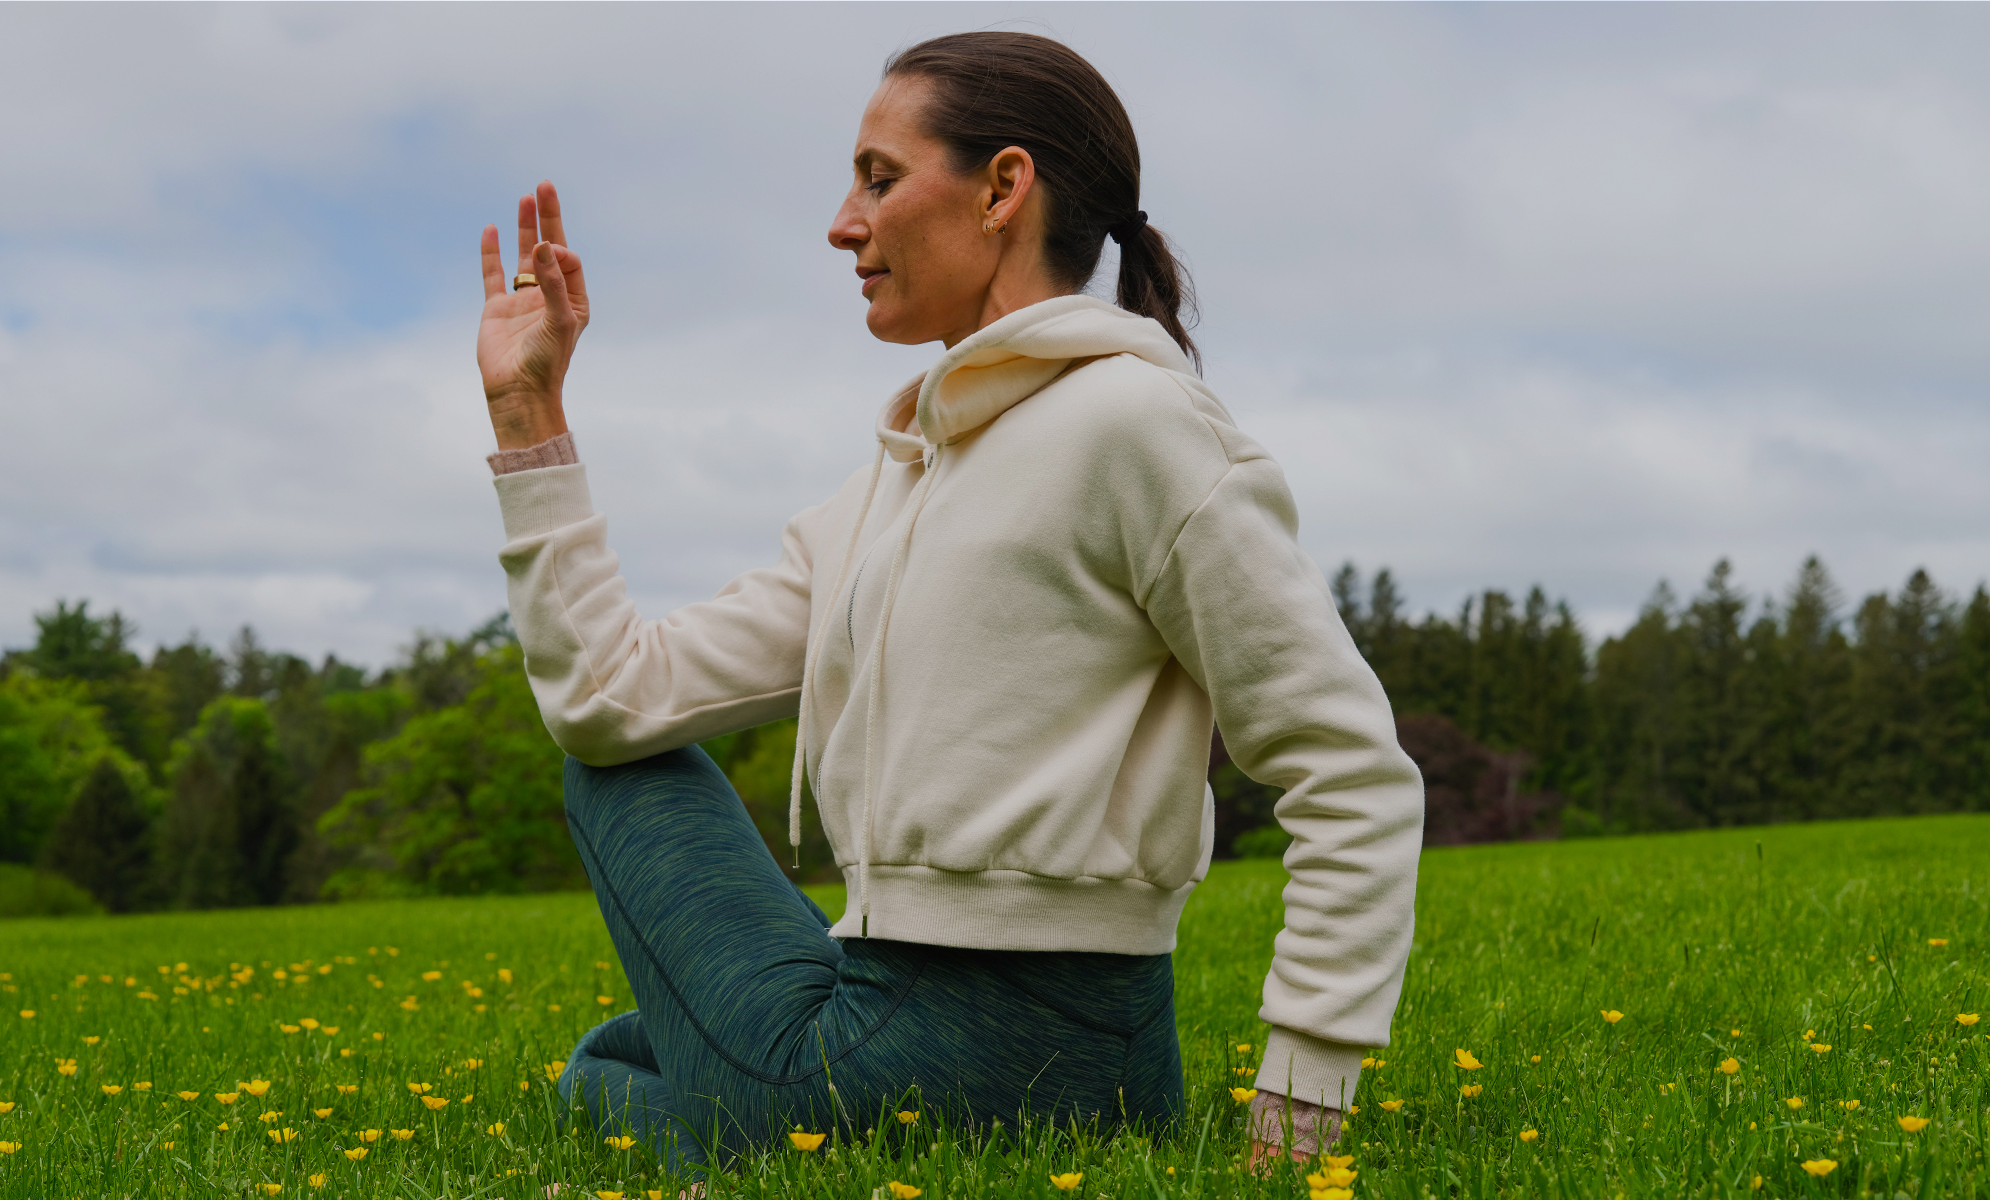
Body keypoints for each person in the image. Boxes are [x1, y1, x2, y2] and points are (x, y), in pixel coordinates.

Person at [476, 31, 1423, 1176]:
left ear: (1002, 189)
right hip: (1098, 1059)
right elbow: (610, 691)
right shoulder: (888, 487)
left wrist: (1301, 1103)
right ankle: (749, 1121)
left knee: (606, 1062)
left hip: (917, 1057)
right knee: (635, 1022)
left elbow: (1351, 770)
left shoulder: (1135, 426)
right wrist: (530, 418)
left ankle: (751, 1140)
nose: (842, 221)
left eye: (879, 177)